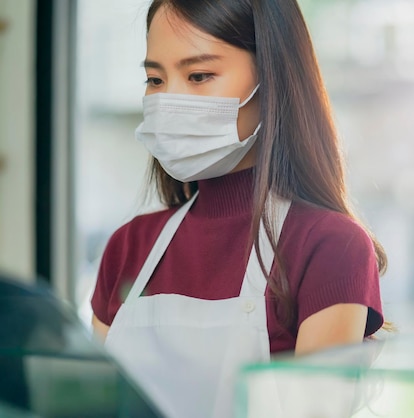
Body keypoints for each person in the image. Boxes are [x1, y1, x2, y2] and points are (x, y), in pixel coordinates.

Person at [90, 0, 387, 416]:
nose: (169, 100)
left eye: (199, 75)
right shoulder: (128, 248)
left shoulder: (330, 247)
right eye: (155, 80)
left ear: (273, 81)